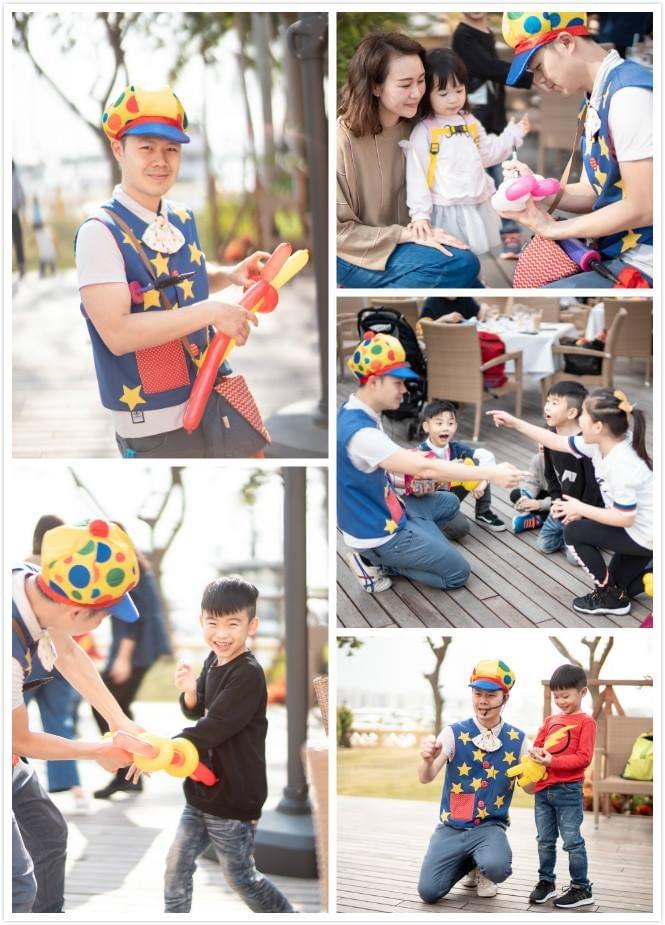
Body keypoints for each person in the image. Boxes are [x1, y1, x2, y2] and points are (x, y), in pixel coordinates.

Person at [75, 85, 269, 458]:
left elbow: (175, 282)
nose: (160, 160)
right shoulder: (99, 233)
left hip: (212, 392)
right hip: (154, 420)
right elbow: (117, 333)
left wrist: (228, 275)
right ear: (119, 150)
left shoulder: (181, 217)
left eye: (172, 149)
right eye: (146, 147)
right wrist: (211, 312)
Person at [12, 519, 144, 912]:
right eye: (102, 616)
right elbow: (19, 739)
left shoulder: (33, 582)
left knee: (48, 835)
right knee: (17, 890)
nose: (103, 624)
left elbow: (67, 652)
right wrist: (97, 751)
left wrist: (120, 721)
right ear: (74, 611)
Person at [338, 331, 525, 593]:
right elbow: (425, 468)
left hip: (388, 509)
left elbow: (386, 463)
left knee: (448, 502)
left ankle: (420, 539)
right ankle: (372, 562)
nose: (405, 389)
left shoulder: (355, 411)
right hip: (377, 533)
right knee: (458, 573)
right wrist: (491, 473)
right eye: (398, 382)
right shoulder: (362, 433)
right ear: (374, 381)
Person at [162, 576, 294, 913]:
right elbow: (201, 708)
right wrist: (191, 691)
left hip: (234, 793)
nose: (221, 633)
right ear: (201, 621)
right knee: (177, 863)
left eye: (233, 624)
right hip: (201, 787)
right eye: (213, 623)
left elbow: (217, 725)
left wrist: (167, 747)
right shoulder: (213, 659)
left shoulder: (248, 673)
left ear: (252, 625)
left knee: (240, 877)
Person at [500, 12, 653, 288]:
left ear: (566, 42)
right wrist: (538, 188)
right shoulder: (595, 95)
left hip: (646, 258)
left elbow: (644, 207)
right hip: (620, 249)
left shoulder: (628, 96)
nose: (539, 82)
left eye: (538, 67)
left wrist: (554, 229)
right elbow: (595, 190)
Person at [489, 387, 652, 615]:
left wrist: (579, 508)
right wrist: (514, 422)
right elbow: (555, 441)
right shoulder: (606, 441)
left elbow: (625, 517)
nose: (579, 420)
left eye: (583, 415)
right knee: (618, 585)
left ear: (598, 427)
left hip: (644, 534)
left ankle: (608, 596)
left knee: (575, 532)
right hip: (644, 531)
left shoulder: (622, 463)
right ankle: (634, 581)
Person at [337, 32, 482, 288]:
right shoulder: (342, 141)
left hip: (413, 240)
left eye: (421, 81)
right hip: (355, 254)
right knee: (463, 265)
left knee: (465, 269)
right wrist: (407, 234)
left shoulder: (420, 126)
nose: (417, 92)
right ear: (375, 86)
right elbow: (338, 233)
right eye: (405, 85)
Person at [417, 659, 528, 903]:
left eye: (490, 695)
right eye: (477, 694)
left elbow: (529, 788)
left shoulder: (518, 739)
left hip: (490, 827)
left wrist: (536, 768)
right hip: (452, 826)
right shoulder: (453, 733)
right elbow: (426, 777)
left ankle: (485, 866)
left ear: (505, 698)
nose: (482, 701)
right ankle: (470, 863)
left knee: (497, 867)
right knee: (428, 892)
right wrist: (426, 760)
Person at [404, 48, 529, 255]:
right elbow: (416, 175)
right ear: (426, 94)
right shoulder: (425, 130)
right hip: (445, 208)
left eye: (459, 90)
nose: (453, 99)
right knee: (453, 255)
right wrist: (419, 214)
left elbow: (487, 154)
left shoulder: (469, 121)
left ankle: (477, 283)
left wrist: (513, 135)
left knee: (475, 254)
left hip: (477, 203)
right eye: (443, 94)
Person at [92, 544, 171, 799]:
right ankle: (130, 775)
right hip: (142, 652)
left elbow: (133, 621)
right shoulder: (138, 568)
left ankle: (127, 772)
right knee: (117, 707)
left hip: (135, 653)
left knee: (107, 707)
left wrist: (123, 658)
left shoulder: (124, 571)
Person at [452, 12, 534, 259]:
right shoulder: (462, 36)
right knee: (482, 183)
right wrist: (530, 74)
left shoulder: (486, 32)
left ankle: (510, 234)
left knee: (505, 180)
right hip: (475, 124)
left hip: (494, 120)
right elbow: (487, 68)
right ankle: (471, 242)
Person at [23, 515, 90, 814]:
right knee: (59, 724)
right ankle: (76, 792)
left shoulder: (23, 567)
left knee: (13, 729)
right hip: (57, 660)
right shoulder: (68, 571)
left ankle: (20, 790)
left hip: (27, 660)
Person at [525, 664, 596, 908]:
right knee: (544, 840)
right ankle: (546, 883)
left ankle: (581, 888)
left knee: (572, 841)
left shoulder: (586, 723)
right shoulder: (550, 720)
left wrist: (552, 760)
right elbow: (538, 745)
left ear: (582, 692)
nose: (561, 701)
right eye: (556, 696)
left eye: (566, 696)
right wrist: (535, 753)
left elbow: (583, 758)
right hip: (544, 791)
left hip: (568, 791)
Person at [412, 399, 506, 532]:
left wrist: (482, 482)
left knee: (478, 462)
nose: (445, 428)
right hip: (430, 502)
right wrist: (447, 470)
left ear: (455, 426)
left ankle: (482, 512)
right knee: (460, 528)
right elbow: (416, 489)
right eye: (439, 423)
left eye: (450, 423)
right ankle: (430, 524)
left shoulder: (456, 448)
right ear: (426, 427)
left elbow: (487, 457)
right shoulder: (420, 453)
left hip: (452, 495)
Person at [12, 160, 26, 277]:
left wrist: (23, 210)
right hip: (13, 211)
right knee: (17, 239)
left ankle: (21, 265)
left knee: (17, 239)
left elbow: (20, 192)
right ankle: (21, 265)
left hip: (13, 212)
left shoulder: (13, 171)